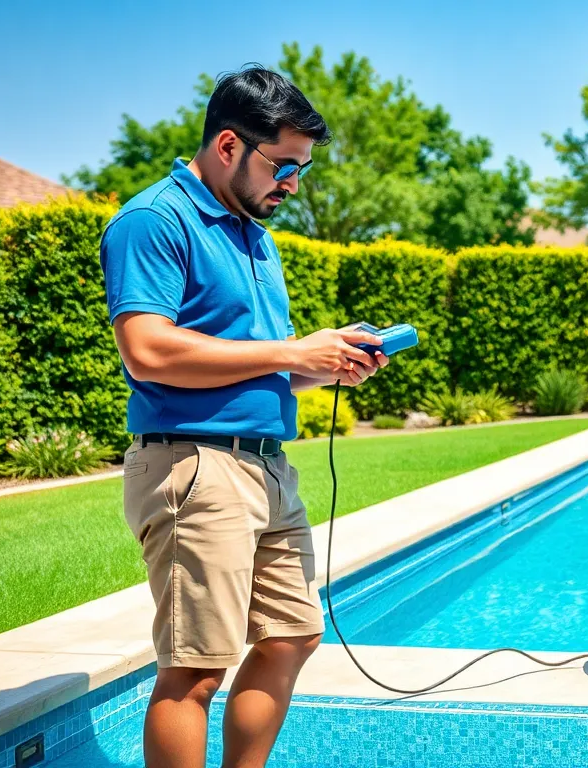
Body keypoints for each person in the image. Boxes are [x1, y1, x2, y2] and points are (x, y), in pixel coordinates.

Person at [99, 64, 386, 768]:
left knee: (292, 635)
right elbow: (145, 349)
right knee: (195, 668)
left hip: (265, 465)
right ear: (228, 146)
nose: (291, 184)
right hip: (195, 466)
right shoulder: (154, 219)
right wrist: (290, 349)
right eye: (283, 165)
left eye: (302, 169)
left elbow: (255, 361)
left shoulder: (255, 236)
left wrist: (319, 366)